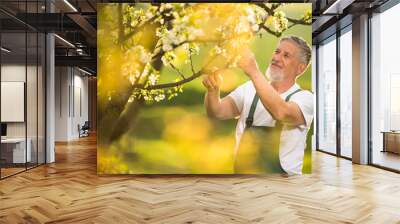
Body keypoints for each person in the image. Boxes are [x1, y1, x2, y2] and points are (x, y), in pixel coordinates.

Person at [202, 36, 313, 175]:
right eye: (277, 51)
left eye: (286, 55)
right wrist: (213, 90)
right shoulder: (249, 88)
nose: (277, 58)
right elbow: (217, 112)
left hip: (283, 185)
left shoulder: (305, 98)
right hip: (243, 179)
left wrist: (253, 71)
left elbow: (281, 112)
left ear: (300, 68)